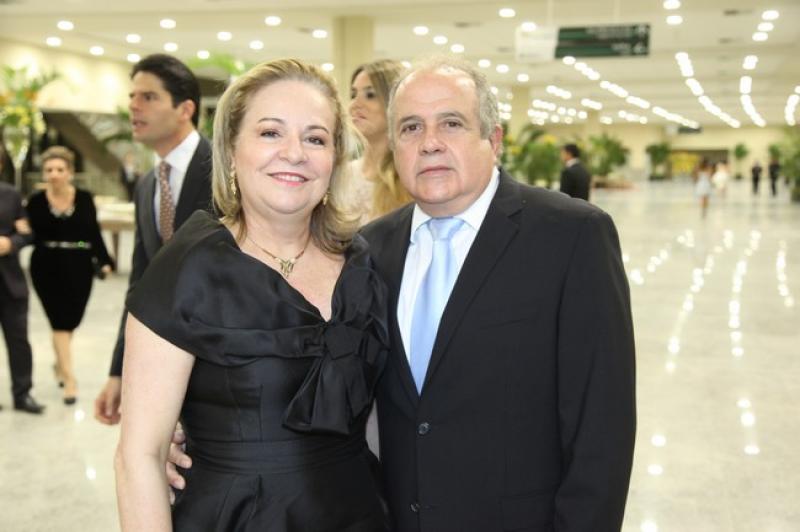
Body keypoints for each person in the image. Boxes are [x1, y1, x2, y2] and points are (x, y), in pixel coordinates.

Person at [169, 57, 637, 532]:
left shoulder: (569, 236)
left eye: (451, 123)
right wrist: (188, 431)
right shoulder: (367, 251)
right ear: (394, 147)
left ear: (493, 139)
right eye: (411, 128)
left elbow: (602, 426)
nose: (430, 142)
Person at [115, 59, 390, 531]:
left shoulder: (362, 266)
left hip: (359, 512)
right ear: (231, 149)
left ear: (334, 158)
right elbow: (139, 456)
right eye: (270, 132)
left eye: (315, 138)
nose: (294, 153)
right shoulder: (188, 268)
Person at [94, 54, 213, 425]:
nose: (134, 105)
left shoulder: (225, 170)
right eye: (132, 96)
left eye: (148, 97)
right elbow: (141, 284)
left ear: (185, 109)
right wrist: (119, 369)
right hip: (164, 364)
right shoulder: (147, 186)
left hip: (225, 363)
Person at [27, 146, 114, 405]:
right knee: (59, 323)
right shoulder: (35, 202)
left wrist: (104, 260)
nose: (54, 174)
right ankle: (69, 379)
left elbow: (94, 232)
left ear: (70, 172)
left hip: (79, 265)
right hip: (45, 266)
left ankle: (59, 364)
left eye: (59, 169)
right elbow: (28, 233)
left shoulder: (85, 199)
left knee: (72, 320)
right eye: (49, 170)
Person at [347, 59, 412, 223]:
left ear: (394, 104)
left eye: (370, 95)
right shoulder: (341, 174)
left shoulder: (411, 178)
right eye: (353, 95)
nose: (355, 104)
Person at [0, 178, 45, 414]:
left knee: (19, 341)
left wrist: (11, 243)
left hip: (11, 284)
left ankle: (22, 393)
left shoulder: (11, 195)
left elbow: (26, 233)